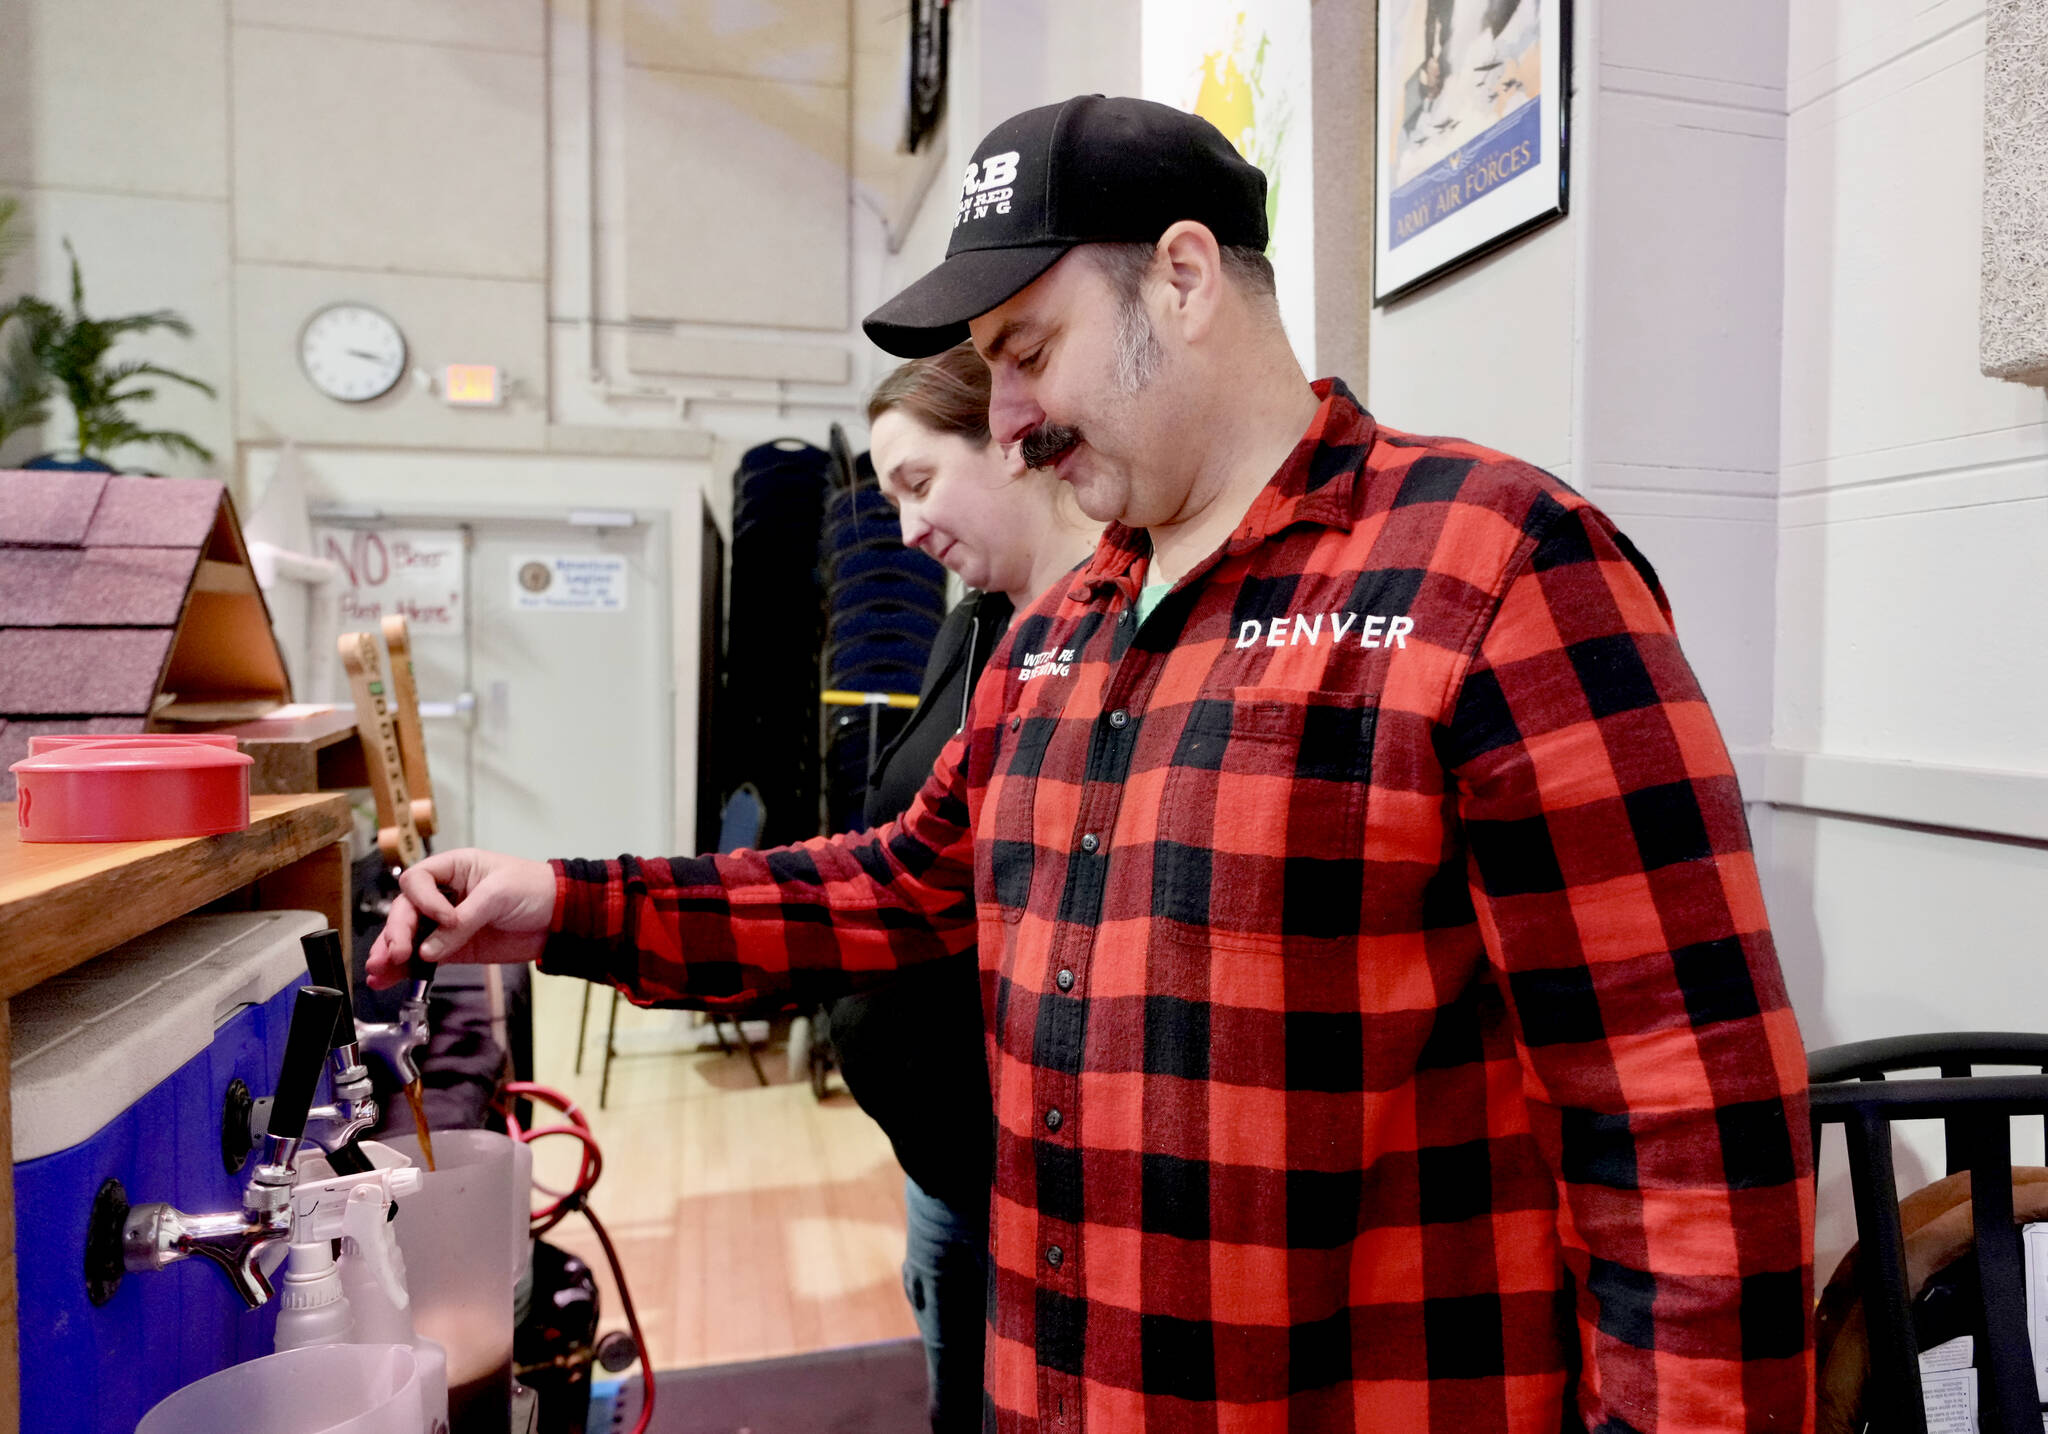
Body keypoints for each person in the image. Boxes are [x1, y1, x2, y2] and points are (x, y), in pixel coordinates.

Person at [372, 96, 1814, 1433]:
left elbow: (1685, 1129)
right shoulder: (1061, 623)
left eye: (1029, 350)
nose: (1008, 419)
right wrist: (561, 902)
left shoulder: (1497, 567)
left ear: (1182, 278)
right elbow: (893, 889)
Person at [830, 342, 1097, 1433]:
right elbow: (905, 858)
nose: (905, 531)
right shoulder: (972, 625)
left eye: (918, 484)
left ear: (1007, 440)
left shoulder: (1098, 645)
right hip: (933, 1147)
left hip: (1012, 1165)